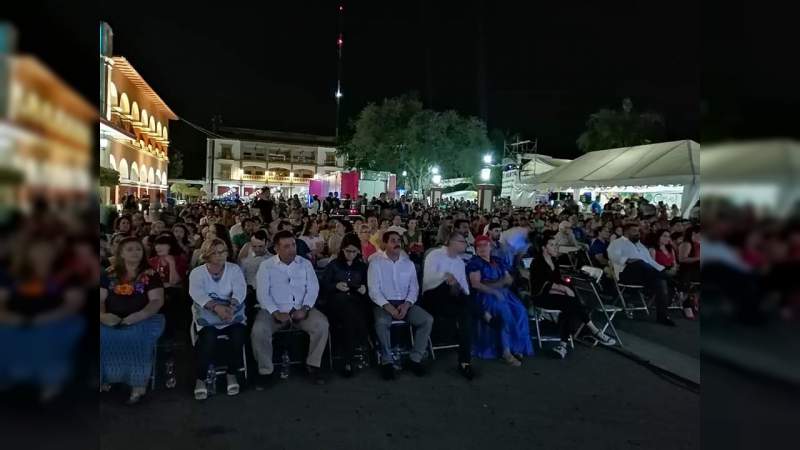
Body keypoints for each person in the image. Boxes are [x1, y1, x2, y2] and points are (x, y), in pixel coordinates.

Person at [252, 230, 329, 386]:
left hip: (301, 308)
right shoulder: (266, 266)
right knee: (259, 330)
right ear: (276, 249)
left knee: (321, 324)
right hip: (274, 310)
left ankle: (313, 365)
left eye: (293, 245)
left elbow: (313, 288)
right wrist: (275, 312)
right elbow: (262, 293)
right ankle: (266, 371)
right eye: (286, 246)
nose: (292, 249)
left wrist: (306, 308)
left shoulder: (305, 264)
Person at [100, 237, 165, 404]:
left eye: (138, 249)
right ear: (121, 253)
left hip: (144, 317)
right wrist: (103, 315)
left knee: (137, 335)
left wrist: (139, 316)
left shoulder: (151, 274)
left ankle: (138, 384)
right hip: (111, 318)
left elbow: (156, 301)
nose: (135, 252)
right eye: (129, 249)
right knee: (102, 334)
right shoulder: (108, 273)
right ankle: (108, 378)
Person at [530, 234, 616, 358]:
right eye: (552, 245)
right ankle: (594, 330)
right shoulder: (537, 262)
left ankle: (563, 346)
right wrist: (563, 288)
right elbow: (539, 284)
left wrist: (564, 287)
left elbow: (558, 279)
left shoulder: (554, 260)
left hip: (557, 296)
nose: (555, 248)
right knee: (571, 302)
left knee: (569, 306)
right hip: (541, 297)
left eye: (556, 245)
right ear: (544, 248)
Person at [368, 231, 433, 380]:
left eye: (399, 240)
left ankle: (415, 359)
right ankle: (387, 361)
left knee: (427, 320)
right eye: (393, 240)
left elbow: (414, 288)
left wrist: (406, 305)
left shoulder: (408, 264)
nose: (397, 243)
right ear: (384, 244)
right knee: (381, 322)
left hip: (405, 303)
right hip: (384, 304)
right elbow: (374, 290)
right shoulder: (376, 263)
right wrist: (388, 307)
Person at [188, 238, 248, 400]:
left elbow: (240, 290)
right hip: (209, 313)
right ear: (207, 255)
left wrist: (232, 307)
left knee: (238, 335)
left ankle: (231, 374)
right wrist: (216, 308)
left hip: (231, 311)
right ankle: (200, 378)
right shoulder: (197, 273)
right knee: (208, 339)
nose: (221, 255)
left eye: (223, 251)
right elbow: (197, 294)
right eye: (216, 252)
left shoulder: (234, 269)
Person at [467, 235, 532, 366]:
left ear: (490, 246)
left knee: (520, 312)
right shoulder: (475, 263)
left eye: (485, 245)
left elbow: (508, 279)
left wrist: (506, 282)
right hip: (485, 295)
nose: (482, 248)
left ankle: (516, 347)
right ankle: (506, 351)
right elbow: (476, 284)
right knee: (504, 313)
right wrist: (496, 288)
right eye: (479, 246)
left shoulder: (497, 260)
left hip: (504, 293)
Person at [421, 232, 474, 380]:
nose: (465, 244)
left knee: (466, 309)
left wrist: (458, 286)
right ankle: (482, 316)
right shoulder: (435, 255)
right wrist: (445, 277)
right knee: (463, 308)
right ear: (451, 242)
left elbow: (464, 287)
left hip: (453, 297)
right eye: (461, 241)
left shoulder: (459, 261)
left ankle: (465, 361)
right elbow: (427, 282)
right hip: (433, 295)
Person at [320, 233, 370, 377]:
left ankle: (347, 359)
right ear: (342, 249)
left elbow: (369, 286)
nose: (351, 254)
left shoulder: (361, 267)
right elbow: (324, 285)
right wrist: (336, 285)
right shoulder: (334, 265)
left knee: (351, 315)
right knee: (349, 312)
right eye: (348, 251)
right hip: (336, 304)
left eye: (354, 251)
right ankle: (354, 354)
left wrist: (363, 288)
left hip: (355, 303)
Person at [607, 224, 675, 326]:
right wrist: (629, 259)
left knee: (661, 282)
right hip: (626, 274)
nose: (638, 233)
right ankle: (674, 281)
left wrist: (662, 269)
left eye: (638, 231)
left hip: (646, 275)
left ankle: (663, 316)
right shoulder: (617, 243)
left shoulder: (641, 246)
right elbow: (613, 257)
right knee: (639, 262)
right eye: (634, 230)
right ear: (626, 232)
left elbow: (651, 262)